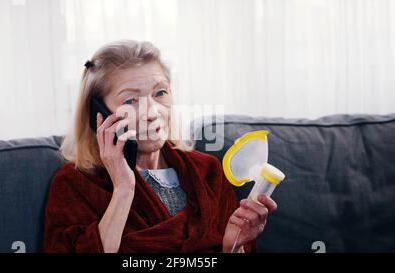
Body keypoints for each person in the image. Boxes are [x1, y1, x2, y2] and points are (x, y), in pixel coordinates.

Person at [42, 40, 277, 253]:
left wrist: (232, 247)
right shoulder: (74, 184)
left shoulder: (207, 172)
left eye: (160, 93)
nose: (152, 113)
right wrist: (123, 190)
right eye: (130, 101)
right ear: (98, 114)